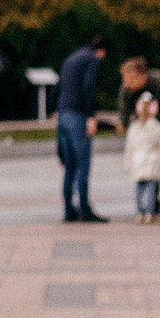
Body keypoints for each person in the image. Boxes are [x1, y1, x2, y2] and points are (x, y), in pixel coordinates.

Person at [117, 55, 160, 216]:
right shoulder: (127, 89)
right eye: (125, 79)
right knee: (150, 167)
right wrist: (124, 123)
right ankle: (152, 202)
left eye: (130, 79)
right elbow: (124, 109)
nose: (127, 84)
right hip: (149, 134)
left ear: (141, 76)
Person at [54, 39, 109, 222]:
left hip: (63, 114)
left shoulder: (71, 59)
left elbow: (58, 85)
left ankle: (69, 210)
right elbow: (88, 87)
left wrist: (55, 108)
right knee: (82, 166)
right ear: (101, 51)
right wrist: (91, 116)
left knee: (69, 167)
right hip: (78, 116)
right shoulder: (92, 59)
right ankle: (84, 209)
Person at [125, 92, 160, 221]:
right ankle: (150, 212)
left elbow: (130, 147)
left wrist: (128, 163)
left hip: (138, 161)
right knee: (152, 189)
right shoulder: (157, 127)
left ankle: (139, 211)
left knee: (139, 188)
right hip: (153, 161)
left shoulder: (134, 127)